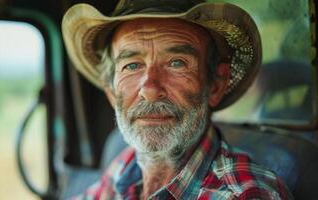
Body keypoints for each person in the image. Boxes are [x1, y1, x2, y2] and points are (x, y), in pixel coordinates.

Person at [61, 0, 293, 199]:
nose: (150, 90)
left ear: (216, 85)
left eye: (177, 63)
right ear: (112, 93)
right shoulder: (127, 163)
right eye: (131, 65)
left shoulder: (246, 194)